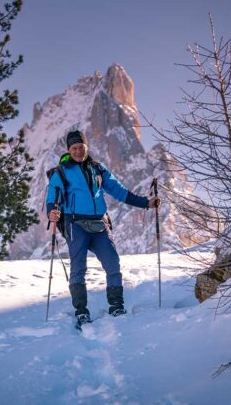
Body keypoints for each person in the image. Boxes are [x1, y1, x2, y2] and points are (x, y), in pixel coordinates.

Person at [47, 130, 159, 326]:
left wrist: (145, 203)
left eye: (81, 147)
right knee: (78, 268)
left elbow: (118, 191)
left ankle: (116, 305)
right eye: (74, 148)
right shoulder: (61, 172)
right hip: (76, 224)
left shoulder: (98, 169)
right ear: (68, 150)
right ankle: (81, 310)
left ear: (86, 147)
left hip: (100, 223)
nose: (78, 151)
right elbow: (53, 197)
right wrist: (52, 212)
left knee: (113, 263)